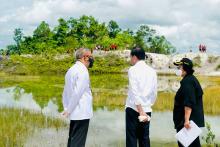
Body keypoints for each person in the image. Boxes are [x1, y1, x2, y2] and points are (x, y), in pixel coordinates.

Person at [62, 48, 94, 147]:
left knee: (72, 138)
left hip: (74, 112)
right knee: (78, 142)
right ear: (85, 57)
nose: (92, 59)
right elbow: (77, 93)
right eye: (91, 56)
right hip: (81, 112)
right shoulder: (82, 71)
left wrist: (67, 108)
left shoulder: (71, 69)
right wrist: (68, 110)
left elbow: (65, 92)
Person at [125, 48, 157, 147]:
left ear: (134, 57)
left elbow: (134, 91)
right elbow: (154, 92)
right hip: (147, 109)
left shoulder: (133, 69)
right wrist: (147, 106)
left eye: (130, 57)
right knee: (144, 138)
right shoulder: (152, 71)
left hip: (133, 109)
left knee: (132, 139)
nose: (130, 59)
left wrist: (140, 109)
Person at [173, 58, 205, 147]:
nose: (178, 69)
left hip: (187, 124)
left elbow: (189, 102)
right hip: (189, 123)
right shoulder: (190, 79)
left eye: (179, 67)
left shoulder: (188, 82)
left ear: (185, 68)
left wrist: (186, 121)